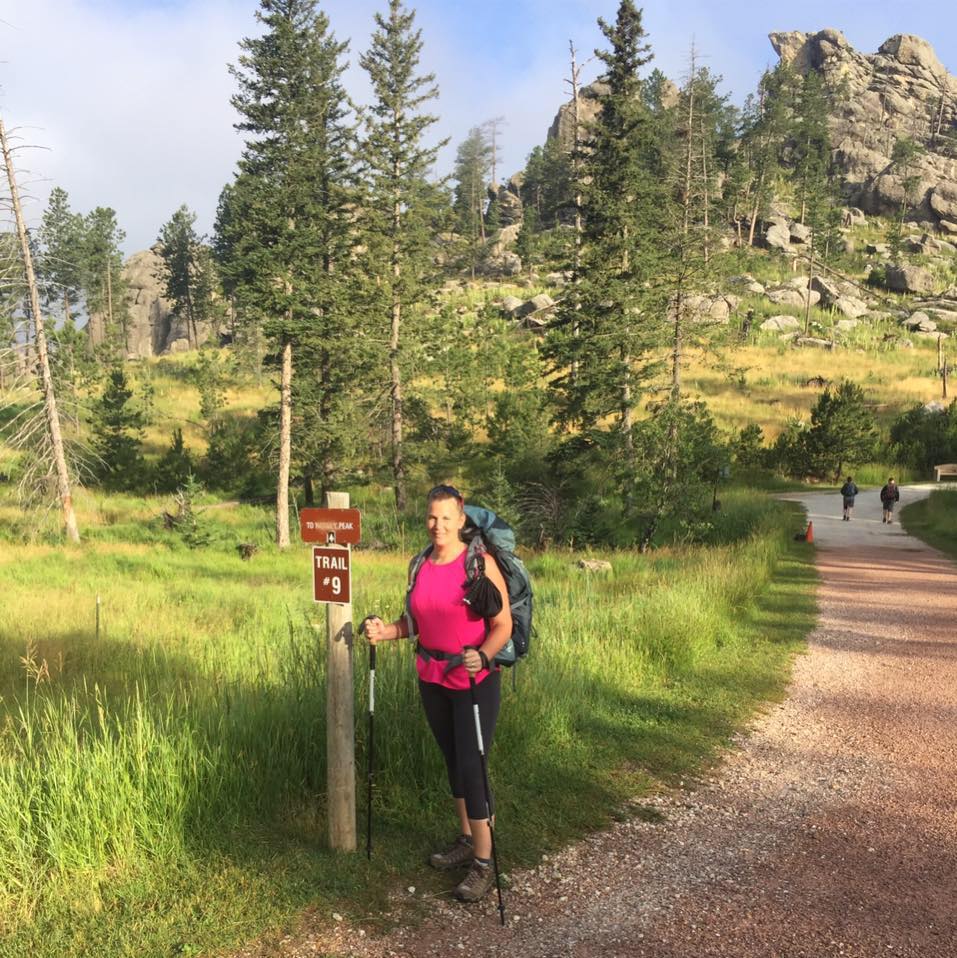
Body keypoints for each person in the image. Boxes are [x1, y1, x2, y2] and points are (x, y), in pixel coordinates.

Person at [364, 484, 512, 903]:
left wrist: (482, 657)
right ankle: (467, 839)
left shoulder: (478, 564)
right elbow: (415, 622)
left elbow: (502, 626)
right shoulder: (420, 564)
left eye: (446, 517)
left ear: (462, 518)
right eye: (432, 517)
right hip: (432, 677)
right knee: (453, 760)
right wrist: (385, 630)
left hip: (473, 680)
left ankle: (484, 864)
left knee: (472, 765)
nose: (438, 525)